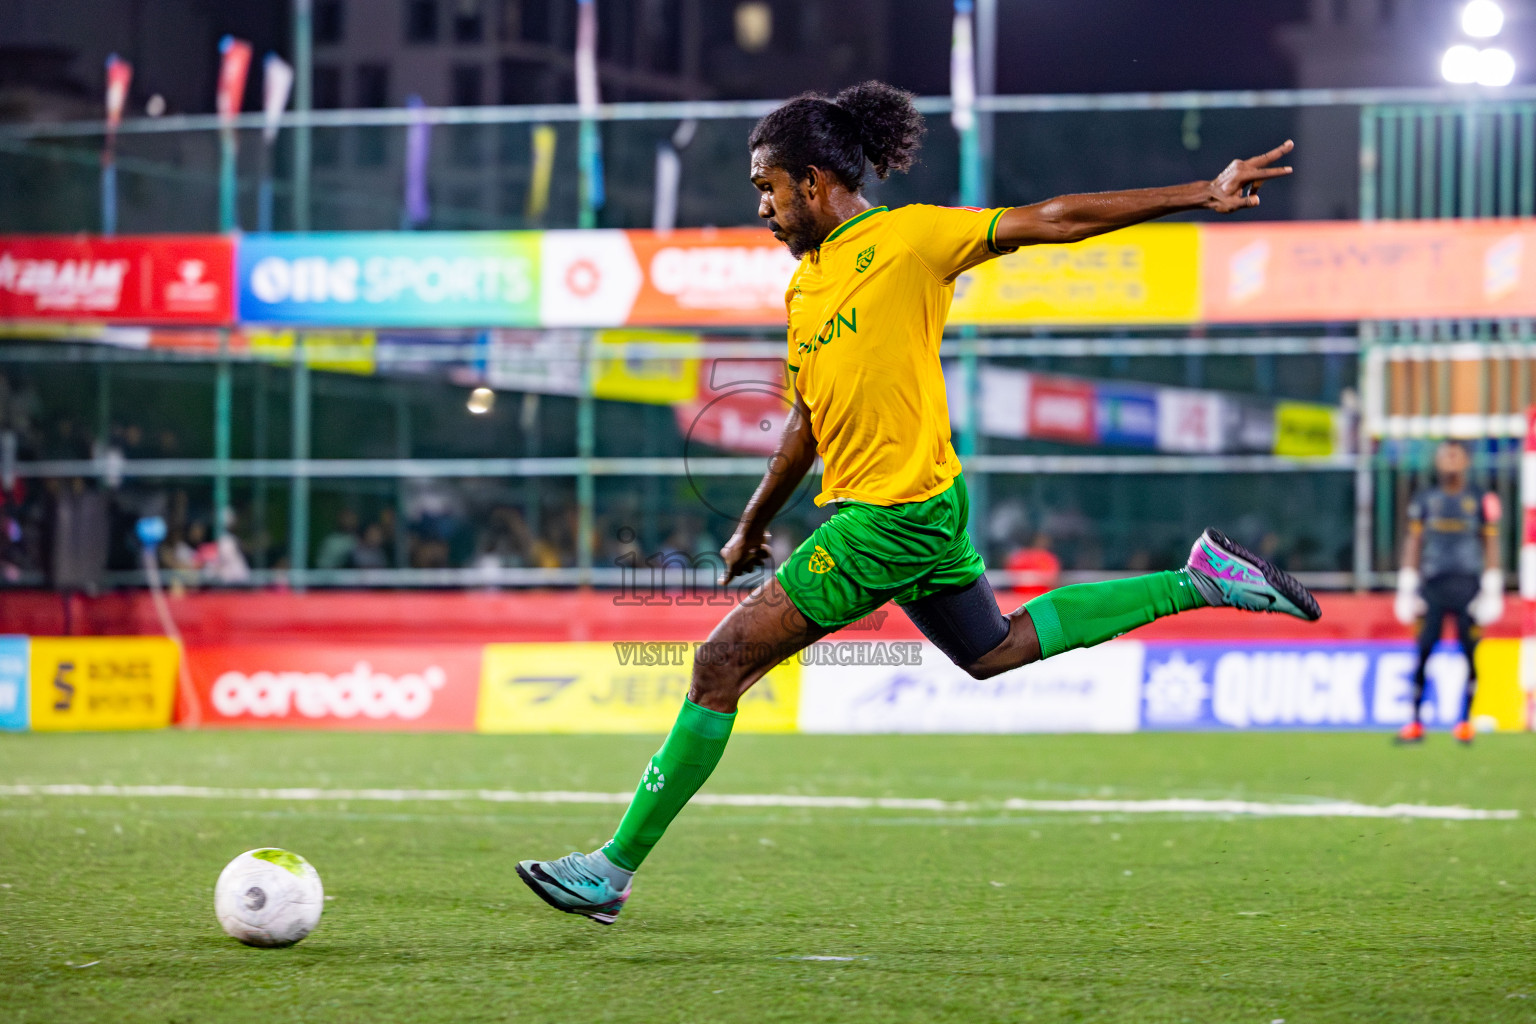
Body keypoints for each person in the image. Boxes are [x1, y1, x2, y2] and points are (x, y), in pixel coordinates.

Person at [517, 82, 1321, 925]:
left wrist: (1202, 190)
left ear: (815, 181)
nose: (762, 206)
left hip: (891, 517)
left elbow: (1049, 218)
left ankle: (609, 870)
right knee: (991, 650)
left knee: (720, 667)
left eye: (767, 187)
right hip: (922, 509)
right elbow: (805, 426)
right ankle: (1200, 581)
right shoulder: (805, 289)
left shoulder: (906, 239)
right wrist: (752, 525)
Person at [1393, 440, 1504, 744]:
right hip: (1432, 585)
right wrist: (1406, 585)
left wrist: (1492, 586)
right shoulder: (1425, 499)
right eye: (1444, 456)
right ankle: (1415, 721)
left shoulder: (1481, 498)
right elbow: (1413, 542)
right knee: (1424, 650)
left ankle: (1465, 721)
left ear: (1466, 461)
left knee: (1470, 654)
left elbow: (1491, 542)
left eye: (1454, 456)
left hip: (1468, 585)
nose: (1448, 462)